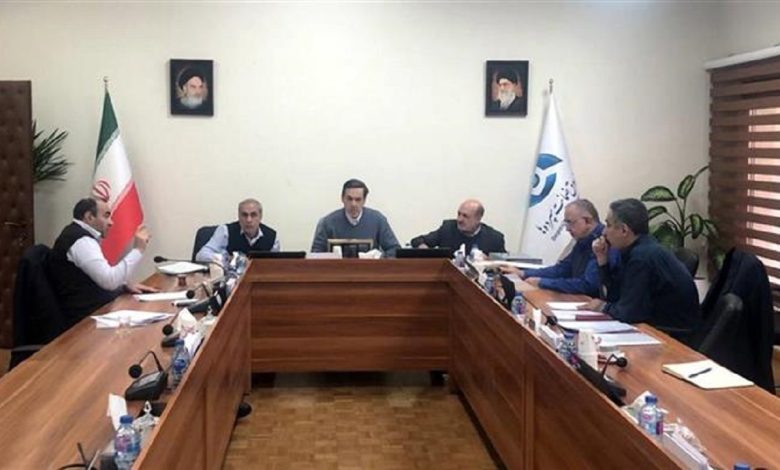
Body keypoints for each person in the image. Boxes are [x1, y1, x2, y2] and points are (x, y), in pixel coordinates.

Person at [582, 198, 701, 334]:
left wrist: (603, 307)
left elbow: (628, 313)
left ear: (624, 230)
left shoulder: (642, 257)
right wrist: (602, 260)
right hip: (654, 327)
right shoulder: (636, 249)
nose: (604, 232)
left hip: (670, 335)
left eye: (608, 225)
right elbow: (615, 297)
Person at [48, 197, 157, 326]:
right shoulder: (81, 241)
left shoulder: (76, 234)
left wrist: (123, 284)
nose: (111, 222)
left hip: (94, 310)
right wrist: (138, 249)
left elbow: (94, 277)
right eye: (106, 216)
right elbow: (109, 281)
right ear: (89, 217)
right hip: (83, 322)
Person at [501, 199, 617, 296]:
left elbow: (588, 285)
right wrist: (524, 274)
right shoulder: (582, 240)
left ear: (588, 221)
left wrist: (542, 282)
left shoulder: (603, 242)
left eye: (570, 222)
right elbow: (562, 269)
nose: (567, 228)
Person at [311, 179, 400, 257]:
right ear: (342, 198)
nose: (353, 204)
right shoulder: (327, 223)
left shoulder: (378, 220)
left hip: (370, 270)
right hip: (336, 270)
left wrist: (379, 257)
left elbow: (395, 250)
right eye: (349, 199)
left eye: (358, 200)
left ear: (364, 200)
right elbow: (315, 254)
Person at [196, 198, 279, 263]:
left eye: (253, 215)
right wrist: (226, 259)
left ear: (260, 216)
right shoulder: (225, 231)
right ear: (239, 216)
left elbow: (274, 264)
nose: (249, 220)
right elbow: (201, 255)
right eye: (244, 215)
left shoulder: (272, 237)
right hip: (229, 277)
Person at [410, 199, 506, 255]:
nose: (459, 219)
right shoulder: (448, 229)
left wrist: (488, 262)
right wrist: (425, 250)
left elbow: (504, 265)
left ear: (478, 219)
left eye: (465, 216)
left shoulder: (494, 238)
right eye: (459, 214)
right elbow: (417, 240)